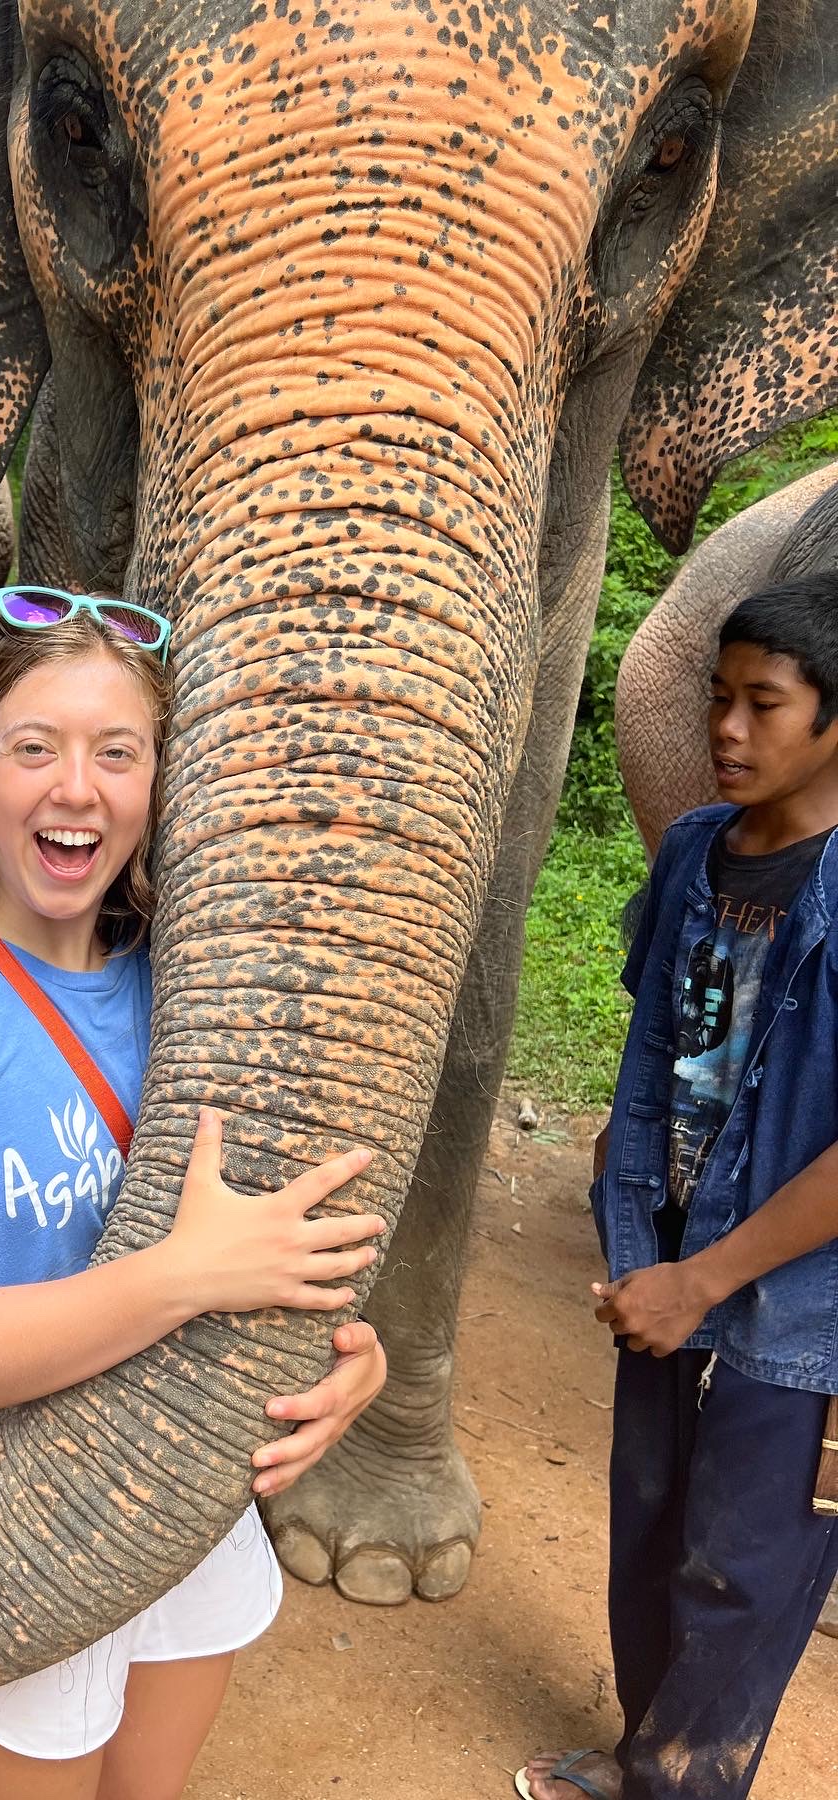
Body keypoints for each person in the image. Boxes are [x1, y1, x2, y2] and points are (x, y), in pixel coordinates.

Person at [0, 585, 389, 1800]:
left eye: (117, 753)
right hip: (13, 1512)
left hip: (185, 1487)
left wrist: (346, 1356)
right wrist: (184, 1277)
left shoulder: (188, 990)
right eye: (34, 747)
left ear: (155, 785)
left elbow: (262, 1244)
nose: (78, 787)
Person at [518, 570, 838, 1800]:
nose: (726, 730)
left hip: (792, 1299)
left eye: (765, 704)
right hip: (662, 1252)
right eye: (719, 699)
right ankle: (645, 1755)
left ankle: (679, 1788)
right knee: (650, 1519)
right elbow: (658, 1034)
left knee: (744, 1566)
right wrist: (639, 1222)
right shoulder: (700, 850)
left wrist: (704, 1279)